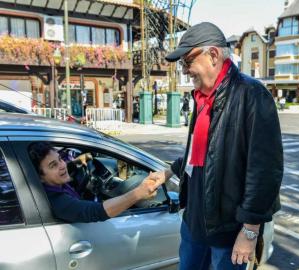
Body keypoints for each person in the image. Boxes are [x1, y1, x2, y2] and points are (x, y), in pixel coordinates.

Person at [150, 22, 283, 269]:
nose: (186, 70)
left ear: (213, 55)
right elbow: (199, 155)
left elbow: (265, 171)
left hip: (228, 231)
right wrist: (167, 171)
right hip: (193, 224)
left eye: (188, 61)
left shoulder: (252, 95)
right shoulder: (201, 98)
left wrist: (250, 230)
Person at [29, 142, 159, 223]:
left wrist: (76, 163)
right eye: (53, 165)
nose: (62, 165)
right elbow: (96, 212)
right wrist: (138, 193)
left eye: (60, 159)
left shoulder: (52, 184)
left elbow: (64, 169)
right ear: (39, 177)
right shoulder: (57, 202)